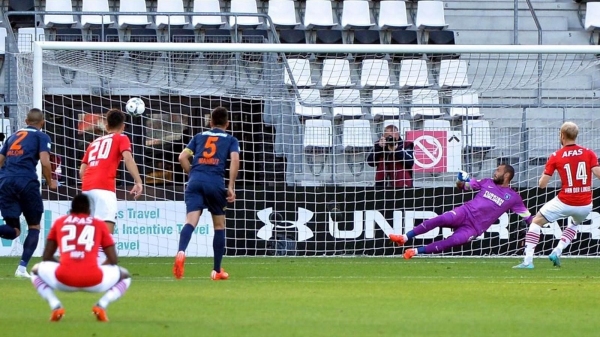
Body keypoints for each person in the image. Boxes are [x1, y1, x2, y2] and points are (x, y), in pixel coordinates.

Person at [390, 164, 532, 259]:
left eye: (498, 171)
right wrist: (459, 180)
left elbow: (527, 216)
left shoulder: (513, 197)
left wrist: (536, 226)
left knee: (453, 241)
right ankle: (404, 238)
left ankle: (414, 252)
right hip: (465, 212)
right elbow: (462, 187)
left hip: (474, 228)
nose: (495, 173)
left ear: (507, 175)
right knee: (440, 219)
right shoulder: (487, 182)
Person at [30, 194, 131, 322]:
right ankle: (101, 305)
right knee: (125, 275)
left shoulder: (60, 222)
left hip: (64, 279)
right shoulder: (98, 224)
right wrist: (96, 267)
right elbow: (113, 259)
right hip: (94, 280)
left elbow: (46, 256)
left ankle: (55, 305)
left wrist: (63, 264)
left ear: (71, 210)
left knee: (35, 270)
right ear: (89, 211)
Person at [514, 122, 600, 269]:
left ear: (562, 135)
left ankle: (528, 261)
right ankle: (557, 251)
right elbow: (598, 174)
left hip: (565, 201)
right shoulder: (589, 153)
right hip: (585, 204)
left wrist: (543, 176)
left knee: (536, 222)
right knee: (574, 224)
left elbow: (542, 185)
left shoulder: (556, 156)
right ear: (575, 135)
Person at [173, 107, 240, 280]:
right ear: (227, 123)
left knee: (190, 222)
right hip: (215, 182)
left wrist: (192, 174)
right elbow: (235, 160)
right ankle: (217, 270)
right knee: (219, 226)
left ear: (210, 122)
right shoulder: (231, 140)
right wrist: (231, 186)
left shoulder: (199, 137)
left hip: (195, 181)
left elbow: (182, 157)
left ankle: (181, 251)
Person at [80, 108, 143, 263]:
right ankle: (100, 266)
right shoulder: (122, 138)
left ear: (106, 125)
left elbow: (82, 170)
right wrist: (138, 181)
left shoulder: (94, 142)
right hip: (104, 187)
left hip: (87, 188)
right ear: (123, 126)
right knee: (106, 228)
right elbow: (128, 158)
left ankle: (84, 260)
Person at [0, 108, 58, 278]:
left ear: (26, 121)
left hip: (6, 182)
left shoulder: (13, 137)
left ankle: (22, 269)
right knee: (34, 226)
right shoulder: (42, 136)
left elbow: (1, 160)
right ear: (43, 123)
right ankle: (22, 268)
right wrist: (50, 181)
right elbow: (45, 162)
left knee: (14, 230)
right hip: (26, 181)